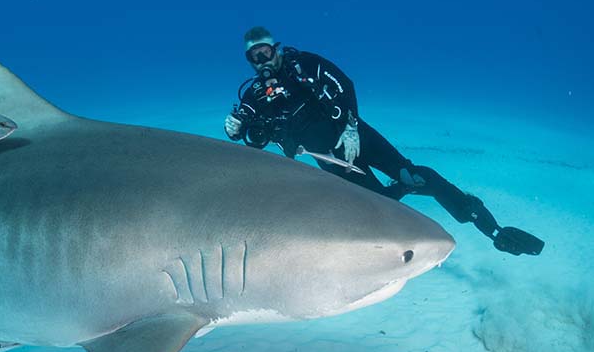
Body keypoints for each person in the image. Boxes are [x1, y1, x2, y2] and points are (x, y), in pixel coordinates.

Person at [224, 26, 544, 256]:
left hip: (357, 135)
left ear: (275, 49)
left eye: (265, 52)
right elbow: (252, 140)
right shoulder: (256, 95)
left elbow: (344, 84)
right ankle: (401, 197)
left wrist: (350, 127)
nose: (261, 61)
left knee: (413, 175)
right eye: (254, 57)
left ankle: (493, 230)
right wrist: (235, 128)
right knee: (382, 206)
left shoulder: (303, 64)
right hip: (333, 160)